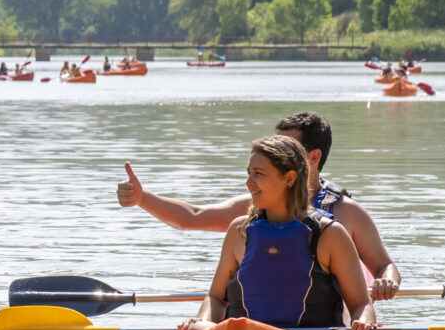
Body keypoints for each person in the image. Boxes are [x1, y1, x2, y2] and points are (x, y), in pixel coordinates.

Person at [116, 111, 400, 300]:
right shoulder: (254, 208)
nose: (274, 153)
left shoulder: (346, 214)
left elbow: (384, 265)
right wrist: (142, 198)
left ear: (313, 158)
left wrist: (387, 280)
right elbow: (193, 217)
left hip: (323, 326)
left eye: (286, 147)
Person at [178, 136, 375, 330]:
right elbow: (216, 298)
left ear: (289, 178)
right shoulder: (239, 230)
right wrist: (203, 321)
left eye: (258, 174)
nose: (249, 183)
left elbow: (361, 304)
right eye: (249, 173)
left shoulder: (330, 234)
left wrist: (364, 321)